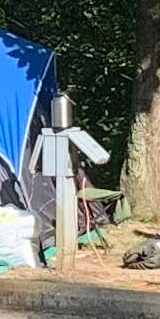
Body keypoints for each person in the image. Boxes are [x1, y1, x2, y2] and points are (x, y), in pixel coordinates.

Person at [27, 91, 111, 266]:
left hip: (66, 174)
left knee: (67, 199)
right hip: (58, 172)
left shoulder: (68, 135)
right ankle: (63, 256)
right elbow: (33, 164)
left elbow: (98, 156)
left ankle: (67, 255)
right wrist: (34, 167)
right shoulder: (48, 134)